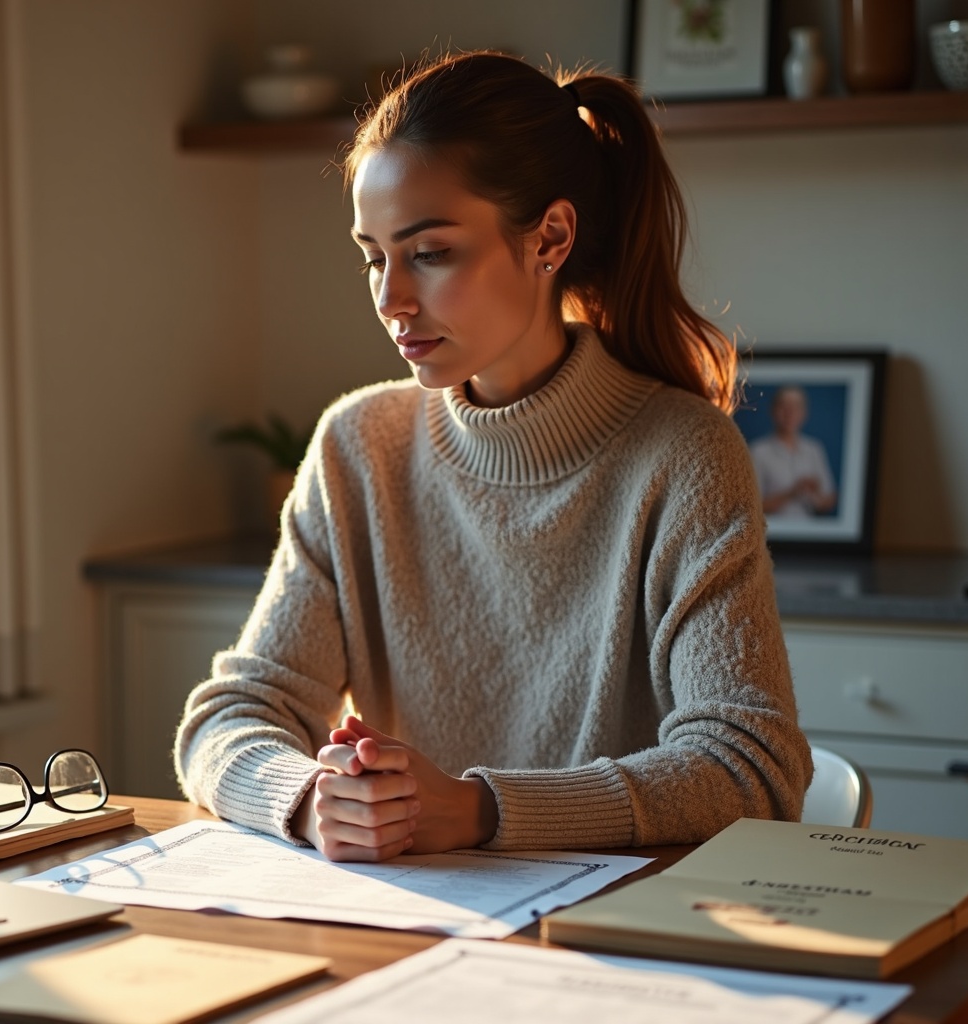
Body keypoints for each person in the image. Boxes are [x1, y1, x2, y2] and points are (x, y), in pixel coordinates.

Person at [175, 51, 812, 862]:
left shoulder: (685, 458)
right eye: (374, 255)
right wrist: (307, 798)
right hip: (415, 936)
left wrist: (481, 810)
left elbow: (749, 770)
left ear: (550, 237)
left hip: (617, 949)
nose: (389, 299)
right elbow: (229, 716)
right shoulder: (356, 448)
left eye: (430, 253)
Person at [750, 386, 838, 518]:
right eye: (783, 406)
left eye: (796, 407)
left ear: (804, 413)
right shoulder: (757, 451)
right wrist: (792, 493)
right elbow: (751, 506)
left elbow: (829, 499)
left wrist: (816, 495)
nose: (790, 413)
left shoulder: (814, 449)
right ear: (773, 411)